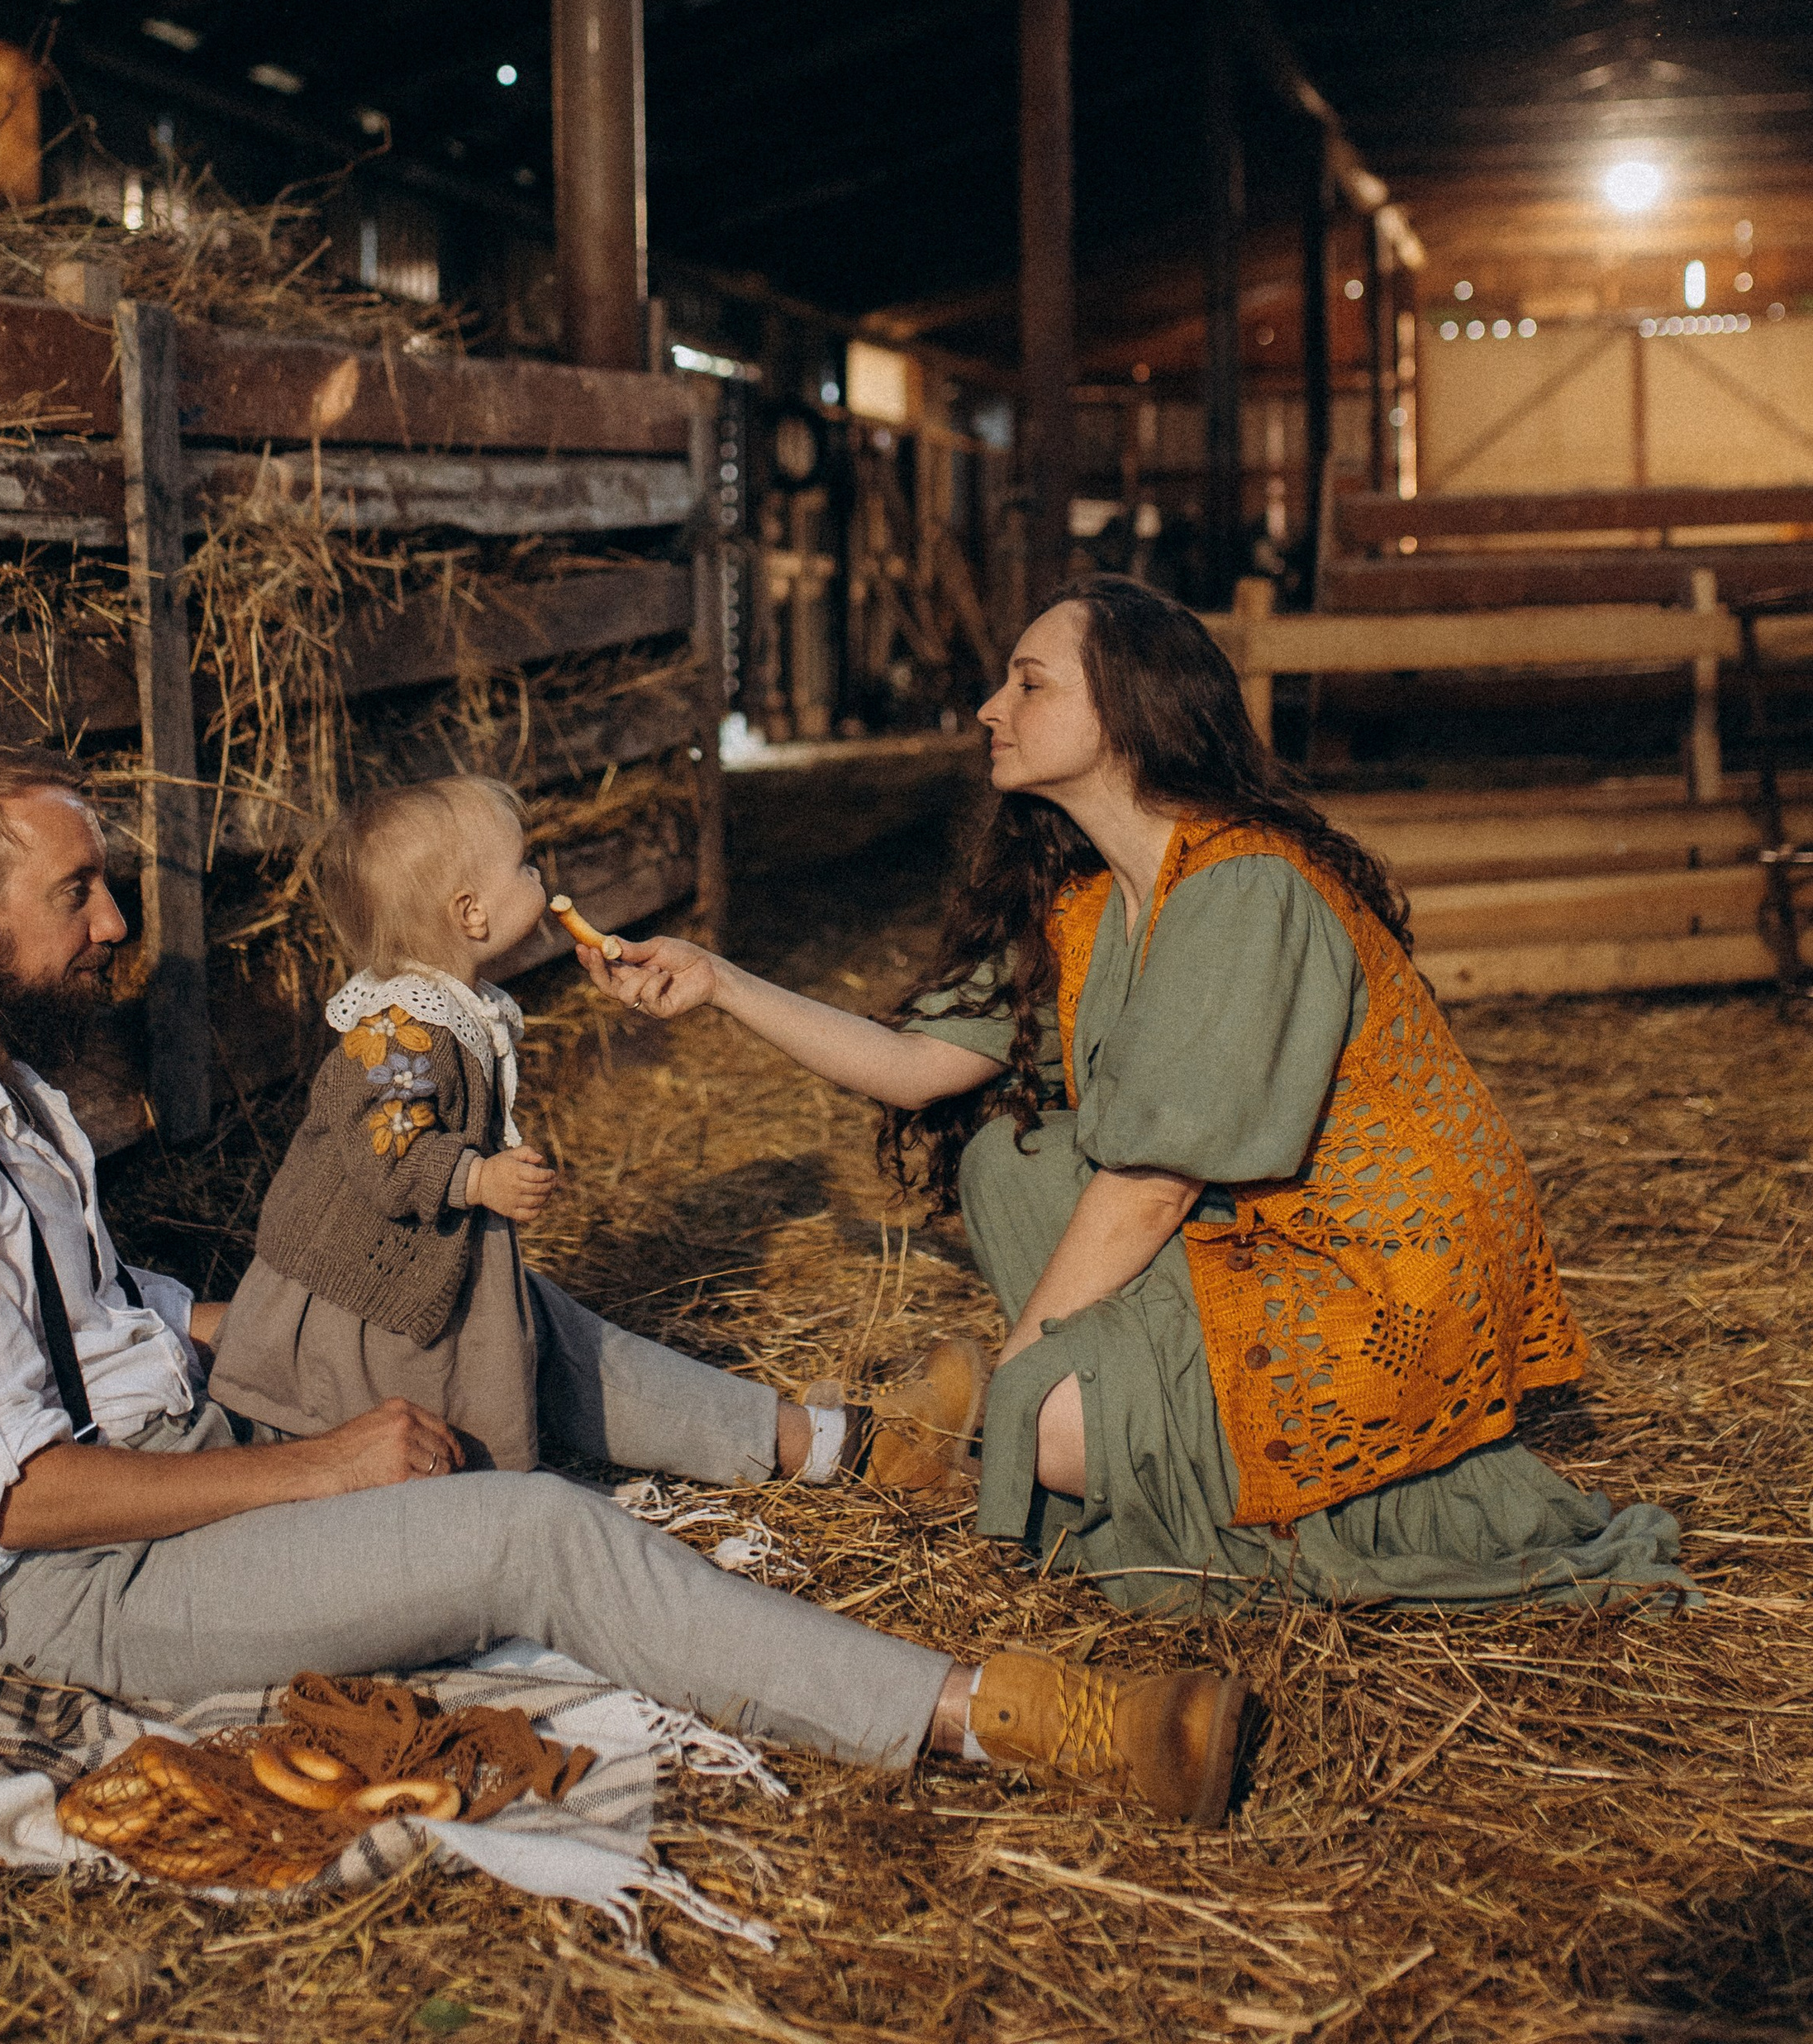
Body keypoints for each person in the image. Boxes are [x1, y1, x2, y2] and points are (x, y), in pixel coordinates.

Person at [0, 741, 1251, 1826]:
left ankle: (856, 1446)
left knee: (474, 1292)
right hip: (87, 1588)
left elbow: (100, 1318)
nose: (118, 924)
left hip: (190, 1444)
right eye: (80, 893)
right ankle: (1003, 1717)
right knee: (538, 1535)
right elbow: (7, 1499)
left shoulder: (4, 1096)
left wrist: (311, 1313)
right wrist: (325, 1470)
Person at [588, 579, 1690, 1614]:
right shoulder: (1089, 902)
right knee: (1007, 1161)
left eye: (1030, 683)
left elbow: (1155, 1186)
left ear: (1125, 713)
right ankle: (1111, 1415)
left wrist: (1022, 1378)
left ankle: (1172, 1451)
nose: (988, 707)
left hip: (1375, 1278)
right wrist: (718, 982)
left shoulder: (1244, 885)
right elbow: (917, 1066)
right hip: (1264, 1243)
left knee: (1052, 1423)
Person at [209, 774, 855, 1487]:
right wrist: (476, 1177)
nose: (540, 877)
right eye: (524, 864)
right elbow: (383, 1147)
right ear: (471, 913)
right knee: (438, 1408)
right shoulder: (399, 1027)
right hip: (372, 1297)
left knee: (532, 1347)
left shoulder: (459, 1008)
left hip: (432, 1264)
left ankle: (803, 1445)